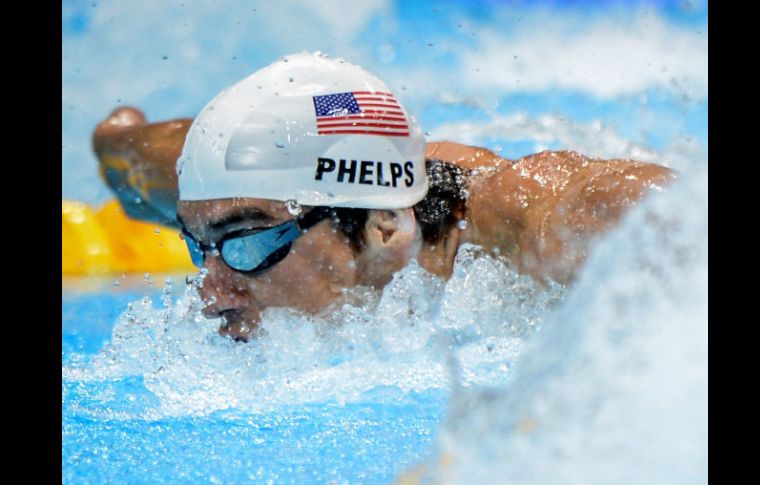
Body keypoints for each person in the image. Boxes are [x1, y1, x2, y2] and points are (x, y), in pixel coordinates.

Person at [93, 52, 674, 341]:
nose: (210, 296)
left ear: (385, 228)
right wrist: (115, 140)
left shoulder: (543, 234)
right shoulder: (220, 183)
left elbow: (670, 212)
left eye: (246, 244)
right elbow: (124, 159)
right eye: (198, 246)